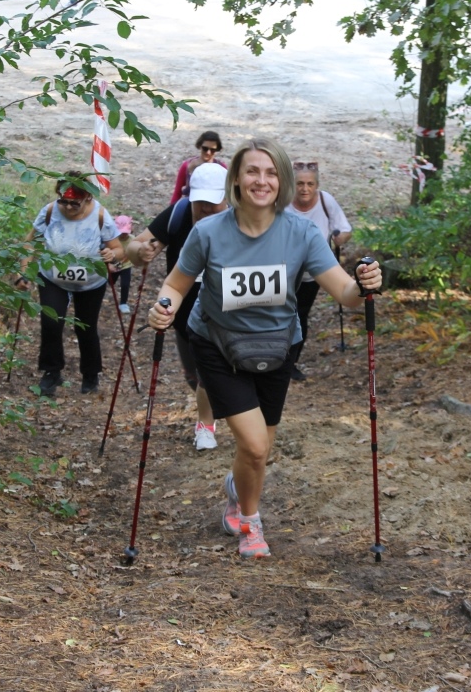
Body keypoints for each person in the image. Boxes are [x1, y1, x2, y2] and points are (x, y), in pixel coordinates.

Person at [146, 137, 383, 559]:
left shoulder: (301, 232)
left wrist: (364, 285)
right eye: (253, 171)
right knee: (255, 446)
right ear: (236, 178)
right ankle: (250, 524)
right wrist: (164, 308)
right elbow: (176, 285)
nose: (262, 180)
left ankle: (238, 490)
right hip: (217, 345)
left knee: (257, 451)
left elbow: (344, 291)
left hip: (277, 347)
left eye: (272, 172)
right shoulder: (208, 232)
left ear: (284, 181)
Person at [125, 163, 229, 451]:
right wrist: (141, 251)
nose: (206, 210)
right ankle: (215, 410)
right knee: (194, 376)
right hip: (184, 312)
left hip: (225, 309)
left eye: (213, 203)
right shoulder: (179, 214)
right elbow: (134, 249)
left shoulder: (241, 218)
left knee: (213, 371)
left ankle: (206, 425)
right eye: (201, 204)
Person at [15, 172, 125, 397]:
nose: (67, 207)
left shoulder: (100, 215)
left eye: (74, 203)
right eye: (63, 201)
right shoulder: (49, 211)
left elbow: (120, 249)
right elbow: (30, 243)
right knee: (51, 322)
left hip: (91, 282)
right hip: (53, 277)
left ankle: (91, 374)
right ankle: (51, 372)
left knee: (85, 326)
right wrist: (23, 272)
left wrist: (110, 254)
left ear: (87, 198)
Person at [285, 160, 352, 381]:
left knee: (300, 314)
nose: (305, 189)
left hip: (313, 273)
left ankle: (291, 362)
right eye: (300, 184)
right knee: (283, 313)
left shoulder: (326, 201)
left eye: (310, 184)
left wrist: (340, 236)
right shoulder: (283, 202)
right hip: (285, 270)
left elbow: (344, 228)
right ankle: (275, 359)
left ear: (317, 185)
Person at [169, 131, 225, 204]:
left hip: (215, 206)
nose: (208, 152)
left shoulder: (222, 168)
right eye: (205, 148)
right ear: (199, 146)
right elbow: (177, 193)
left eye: (212, 150)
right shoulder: (186, 166)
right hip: (190, 204)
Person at [111, 215, 135, 314]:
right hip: (113, 265)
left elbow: (128, 255)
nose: (123, 235)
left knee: (125, 284)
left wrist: (119, 264)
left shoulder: (132, 239)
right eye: (121, 233)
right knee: (110, 282)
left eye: (125, 233)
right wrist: (111, 265)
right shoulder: (113, 239)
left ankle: (123, 303)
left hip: (125, 265)